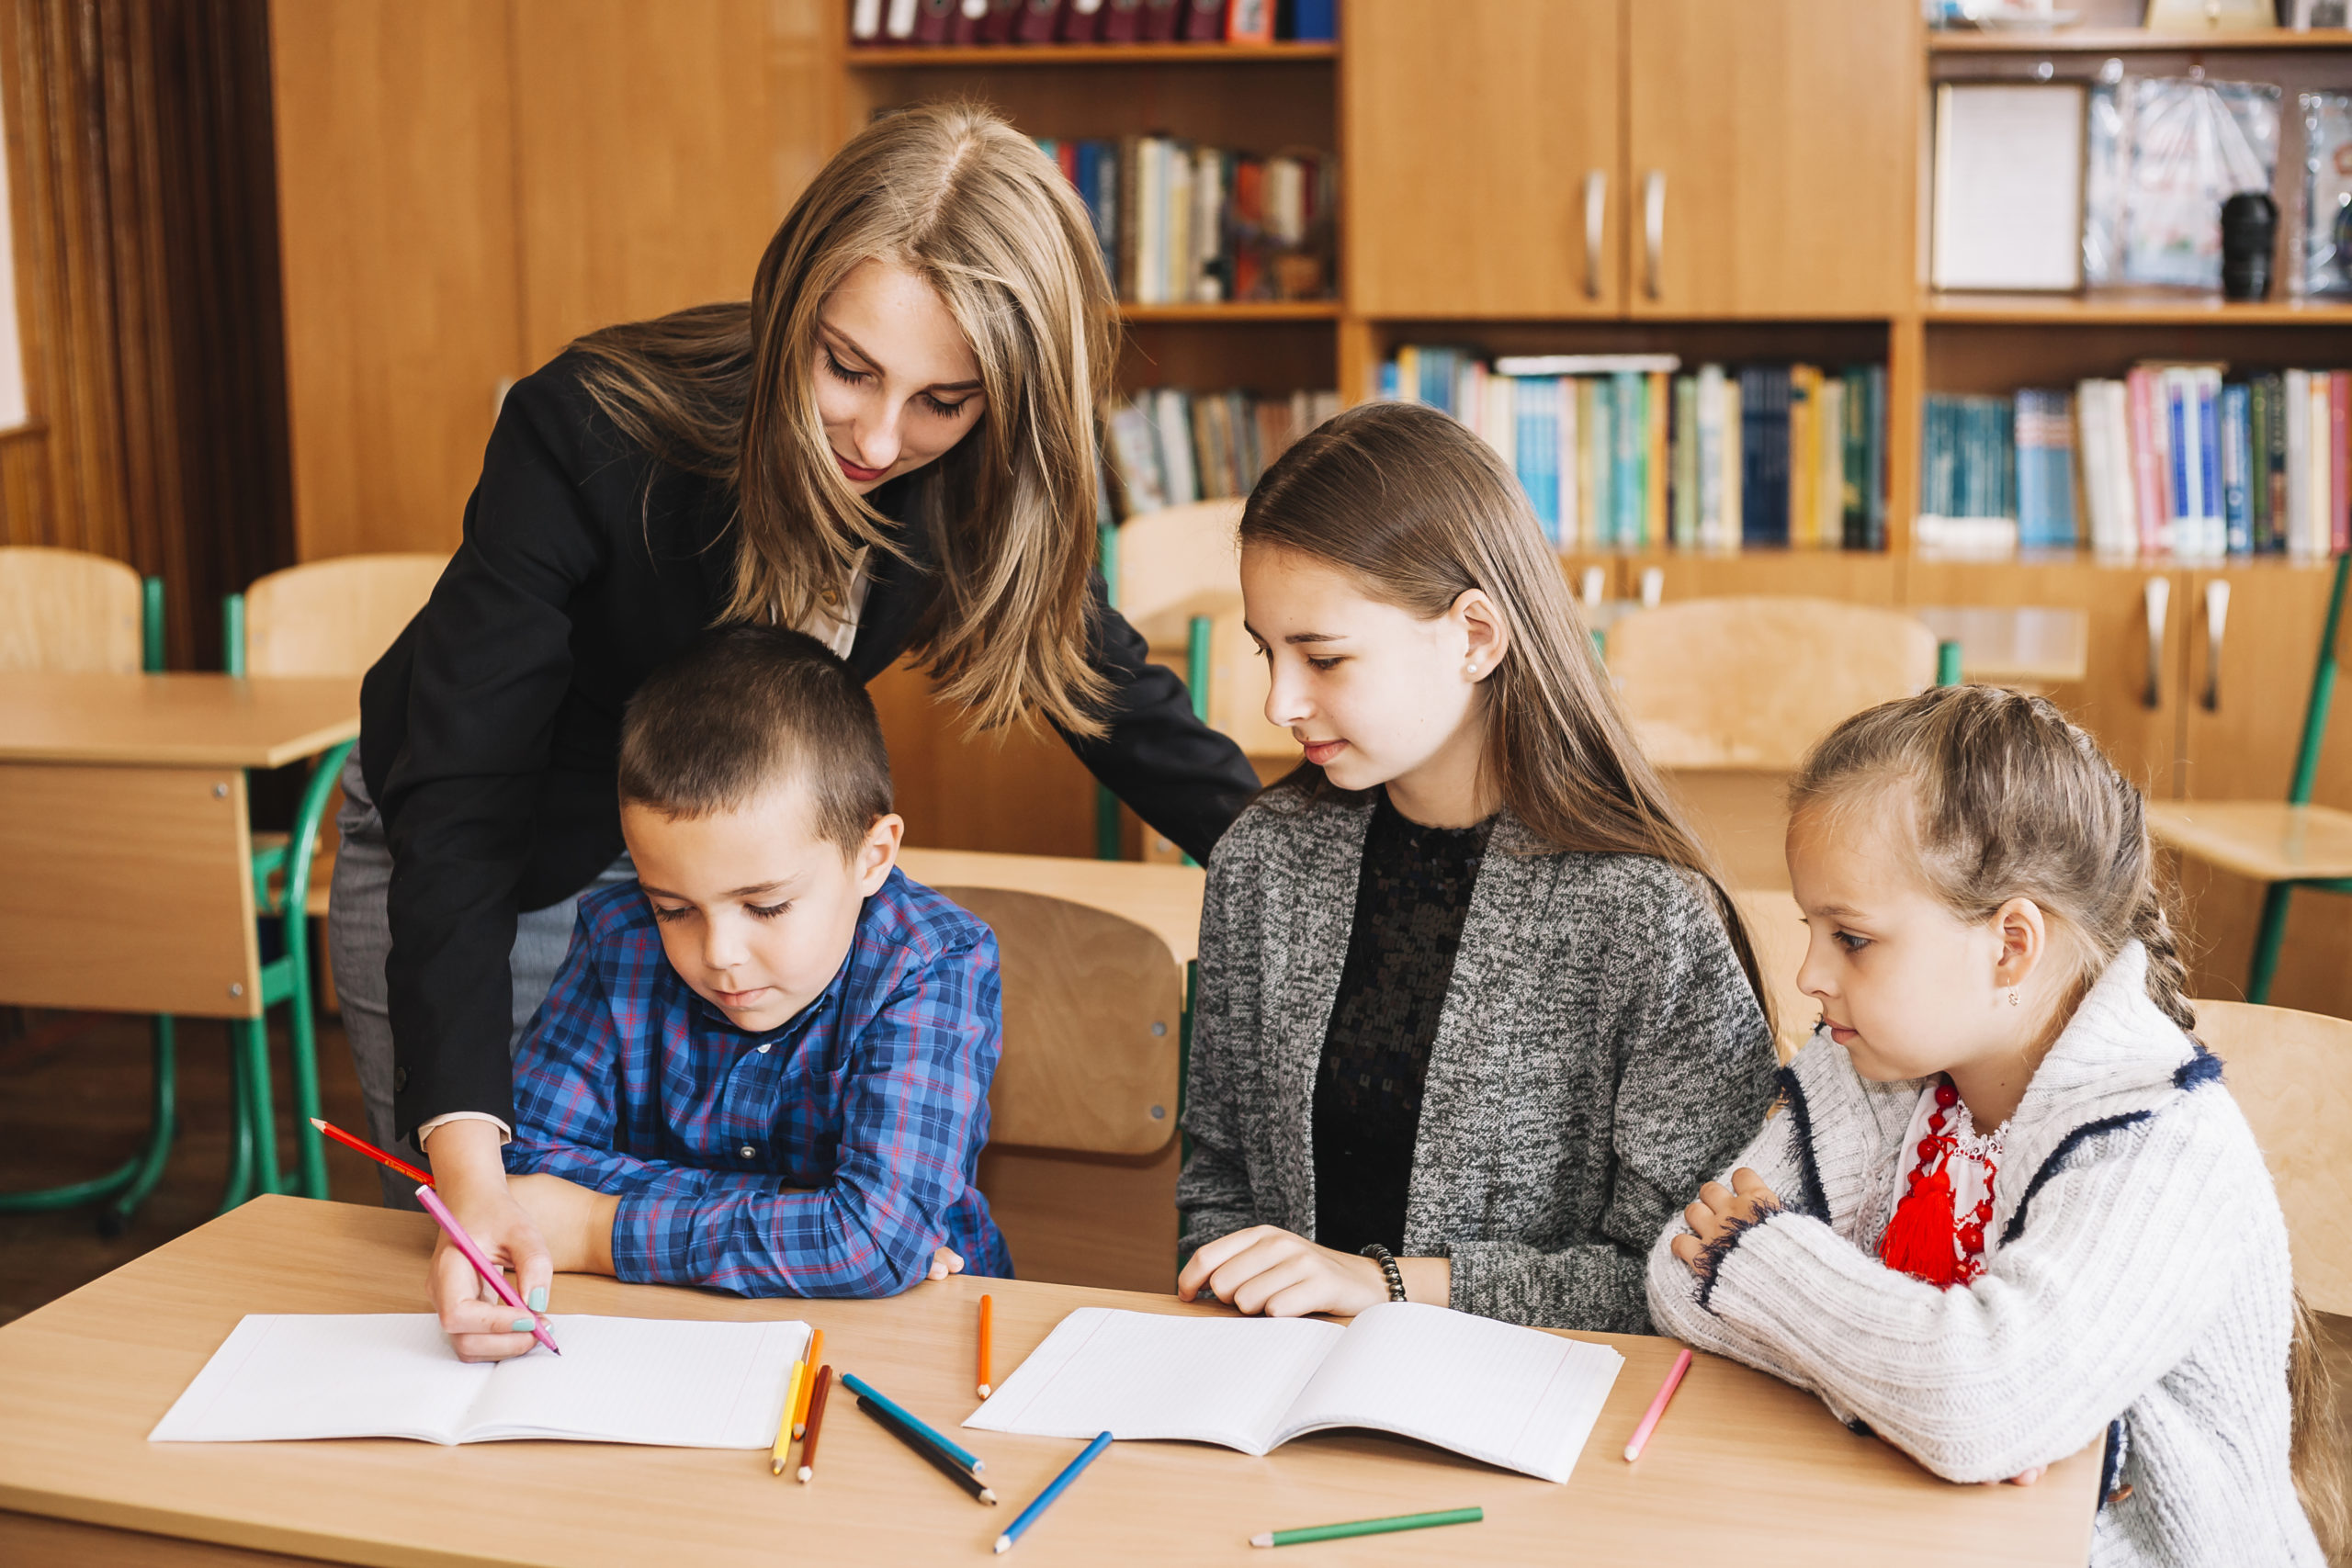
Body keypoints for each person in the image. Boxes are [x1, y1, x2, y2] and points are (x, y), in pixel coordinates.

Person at [327, 102, 1260, 1348]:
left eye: (944, 399)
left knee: (669, 1263)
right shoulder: (591, 429)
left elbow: (1108, 692)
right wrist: (473, 1164)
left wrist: (1308, 865)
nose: (881, 438)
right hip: (503, 839)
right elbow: (460, 792)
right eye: (848, 368)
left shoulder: (989, 470)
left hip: (741, 844)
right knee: (520, 1270)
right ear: (791, 302)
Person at [1646, 685, 2346, 1567]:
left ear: (2011, 944)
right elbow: (1681, 1269)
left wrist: (1790, 1286)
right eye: (1809, 928)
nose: (1809, 975)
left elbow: (1977, 1402)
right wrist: (1911, 1390)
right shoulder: (1870, 1064)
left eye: (1851, 937)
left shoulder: (2168, 1148)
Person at [1171, 400, 1778, 1329]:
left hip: (1542, 1431)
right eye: (1266, 652)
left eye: (1324, 659)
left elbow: (1688, 1274)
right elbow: (1217, 1186)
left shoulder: (1645, 912)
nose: (1279, 702)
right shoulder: (1262, 863)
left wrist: (1388, 1287)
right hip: (1284, 1407)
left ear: (1475, 636)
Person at [468, 628, 1001, 1358]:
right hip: (668, 1338)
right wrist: (808, 1214)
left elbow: (873, 1241)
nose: (717, 954)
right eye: (673, 907)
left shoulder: (933, 962)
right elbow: (524, 1167)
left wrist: (598, 1227)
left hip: (909, 1341)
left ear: (872, 856)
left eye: (767, 906)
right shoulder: (618, 935)